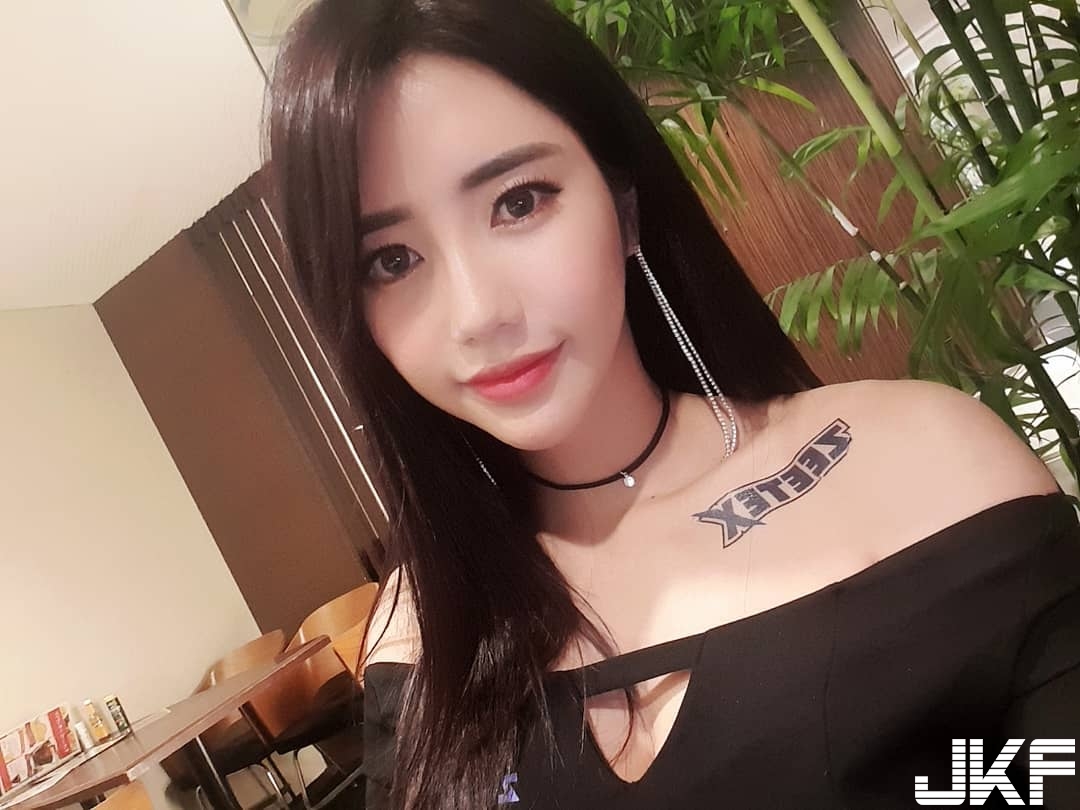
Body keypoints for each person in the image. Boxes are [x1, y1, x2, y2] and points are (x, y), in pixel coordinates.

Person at [265, 0, 1080, 807]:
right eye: (392, 260)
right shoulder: (421, 631)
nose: (478, 314)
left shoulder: (924, 465)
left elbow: (1041, 773)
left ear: (624, 206)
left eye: (518, 202)